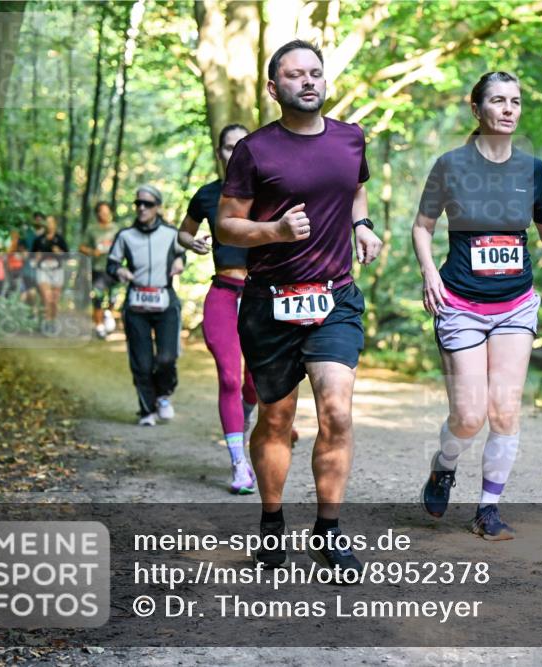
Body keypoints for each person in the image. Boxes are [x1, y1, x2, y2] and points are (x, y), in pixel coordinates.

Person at [217, 39, 382, 576]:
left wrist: (362, 226)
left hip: (335, 296)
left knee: (337, 411)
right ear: (274, 88)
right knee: (276, 417)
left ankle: (328, 532)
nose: (308, 81)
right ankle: (271, 524)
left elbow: (355, 189)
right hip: (270, 302)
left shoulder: (351, 138)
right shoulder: (254, 151)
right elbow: (227, 224)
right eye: (294, 75)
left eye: (315, 72)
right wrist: (275, 231)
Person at [413, 72, 542, 540]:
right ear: (477, 109)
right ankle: (444, 465)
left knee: (505, 411)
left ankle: (487, 509)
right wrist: (429, 272)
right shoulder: (451, 166)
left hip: (515, 305)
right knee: (469, 416)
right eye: (498, 101)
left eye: (516, 101)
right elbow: (423, 227)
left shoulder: (533, 170)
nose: (509, 109)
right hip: (460, 303)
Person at [179, 123, 297, 495]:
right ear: (219, 153)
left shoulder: (270, 192)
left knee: (253, 383)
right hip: (223, 293)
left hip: (262, 295)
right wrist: (193, 243)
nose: (235, 153)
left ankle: (247, 421)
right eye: (229, 147)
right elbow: (183, 231)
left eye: (242, 146)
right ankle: (238, 463)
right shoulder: (207, 194)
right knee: (230, 378)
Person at [107, 185, 186, 426]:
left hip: (165, 303)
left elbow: (182, 253)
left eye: (148, 204)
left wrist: (180, 262)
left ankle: (163, 395)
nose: (142, 208)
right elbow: (111, 263)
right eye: (138, 203)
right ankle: (146, 410)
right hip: (136, 305)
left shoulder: (171, 233)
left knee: (166, 357)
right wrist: (119, 271)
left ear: (157, 207)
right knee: (141, 362)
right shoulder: (125, 236)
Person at [80, 201, 119, 339]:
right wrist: (92, 251)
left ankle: (108, 315)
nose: (105, 215)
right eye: (102, 212)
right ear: (97, 214)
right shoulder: (92, 230)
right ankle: (99, 326)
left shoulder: (116, 228)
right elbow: (82, 247)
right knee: (98, 297)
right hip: (98, 268)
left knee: (113, 297)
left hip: (114, 268)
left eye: (107, 212)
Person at [32, 215, 69, 334]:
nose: (49, 225)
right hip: (43, 271)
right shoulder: (39, 240)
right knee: (47, 297)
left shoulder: (60, 239)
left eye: (51, 222)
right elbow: (31, 257)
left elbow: (67, 256)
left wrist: (59, 252)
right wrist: (36, 258)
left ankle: (53, 322)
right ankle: (47, 322)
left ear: (55, 224)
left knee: (54, 300)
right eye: (47, 222)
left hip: (57, 271)